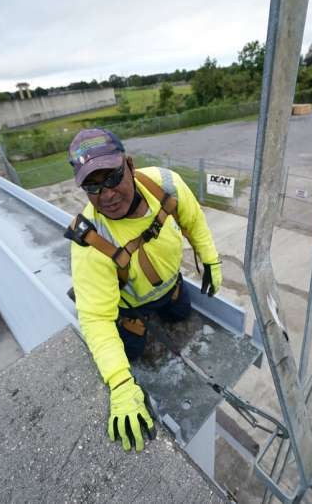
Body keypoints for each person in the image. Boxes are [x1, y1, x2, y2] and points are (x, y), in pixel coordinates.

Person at [64, 128, 222, 453]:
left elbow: (194, 221)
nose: (106, 194)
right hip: (130, 305)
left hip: (169, 286)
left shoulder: (166, 185)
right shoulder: (91, 240)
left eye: (112, 178)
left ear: (130, 165)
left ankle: (171, 297)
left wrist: (210, 259)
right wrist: (121, 385)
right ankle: (130, 318)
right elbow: (94, 320)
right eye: (93, 186)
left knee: (181, 313)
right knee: (132, 352)